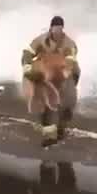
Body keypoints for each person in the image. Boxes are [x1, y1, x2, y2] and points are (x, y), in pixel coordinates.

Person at [21, 15, 80, 148]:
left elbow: (71, 59)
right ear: (51, 27)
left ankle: (63, 122)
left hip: (63, 71)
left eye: (60, 28)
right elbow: (28, 52)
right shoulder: (41, 40)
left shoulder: (68, 43)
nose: (57, 30)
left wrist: (66, 72)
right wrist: (27, 66)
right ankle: (49, 135)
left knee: (67, 99)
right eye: (55, 27)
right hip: (45, 72)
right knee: (42, 99)